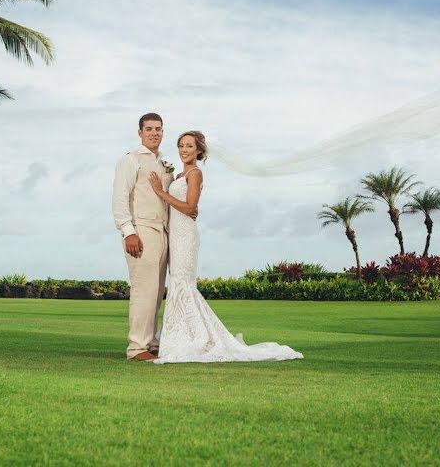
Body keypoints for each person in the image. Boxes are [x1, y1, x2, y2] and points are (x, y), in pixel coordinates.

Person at [148, 130, 303, 363]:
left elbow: (191, 208)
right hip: (175, 233)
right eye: (181, 145)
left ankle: (191, 339)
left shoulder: (195, 174)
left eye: (189, 146)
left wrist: (160, 193)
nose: (184, 150)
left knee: (182, 284)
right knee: (178, 282)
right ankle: (177, 336)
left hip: (185, 236)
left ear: (199, 150)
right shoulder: (180, 173)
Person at [112, 113, 193, 360]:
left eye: (158, 129)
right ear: (140, 133)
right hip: (142, 231)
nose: (154, 133)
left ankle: (152, 343)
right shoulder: (130, 160)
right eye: (149, 129)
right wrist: (129, 232)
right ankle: (137, 347)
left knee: (157, 292)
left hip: (164, 233)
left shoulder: (164, 164)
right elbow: (119, 199)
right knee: (143, 291)